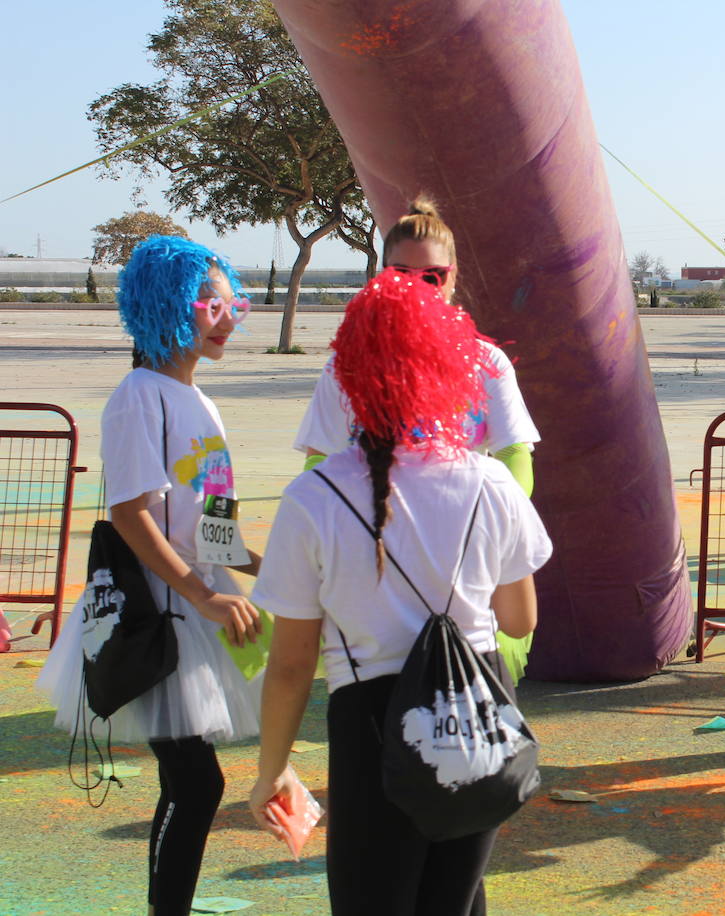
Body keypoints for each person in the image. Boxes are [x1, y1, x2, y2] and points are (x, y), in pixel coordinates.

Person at [249, 269, 552, 915]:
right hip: (474, 713)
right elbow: (520, 618)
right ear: (450, 367)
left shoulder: (314, 496)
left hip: (370, 719)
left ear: (350, 375)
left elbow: (293, 661)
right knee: (458, 899)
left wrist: (271, 769)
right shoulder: (492, 482)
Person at [37, 235, 263, 916]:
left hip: (199, 610)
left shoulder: (204, 404)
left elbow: (213, 527)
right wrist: (201, 593)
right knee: (195, 783)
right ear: (167, 306)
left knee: (195, 784)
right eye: (212, 304)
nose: (227, 318)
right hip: (161, 616)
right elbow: (131, 513)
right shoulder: (139, 395)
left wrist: (264, 568)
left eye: (234, 305)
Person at [295, 197, 539, 498]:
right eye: (401, 275)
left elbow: (514, 452)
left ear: (452, 277)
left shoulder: (486, 363)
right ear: (384, 277)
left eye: (431, 276)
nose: (417, 288)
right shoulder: (346, 366)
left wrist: (503, 521)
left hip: (459, 533)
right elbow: (320, 459)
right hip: (371, 533)